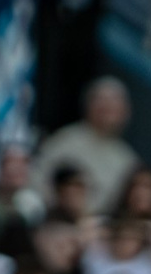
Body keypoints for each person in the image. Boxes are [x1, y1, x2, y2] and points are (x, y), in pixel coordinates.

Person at [32, 76, 138, 214]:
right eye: (102, 104)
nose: (108, 110)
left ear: (125, 112)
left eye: (114, 106)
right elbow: (37, 179)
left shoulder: (127, 159)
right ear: (89, 106)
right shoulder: (65, 140)